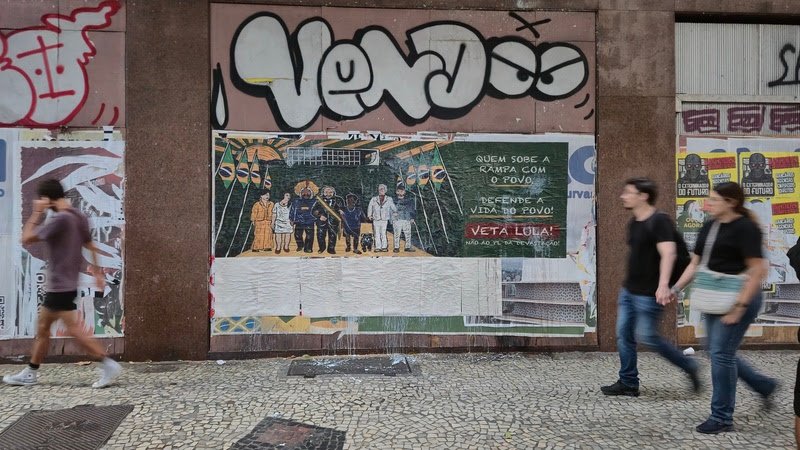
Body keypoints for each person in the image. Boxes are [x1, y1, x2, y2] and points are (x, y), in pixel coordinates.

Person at [670, 181, 778, 434]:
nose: (708, 204)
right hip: (715, 295)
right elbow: (695, 263)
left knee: (721, 354)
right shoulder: (710, 226)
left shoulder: (746, 228)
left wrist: (739, 307)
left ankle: (721, 417)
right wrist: (675, 289)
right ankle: (763, 385)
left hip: (741, 297)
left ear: (731, 202)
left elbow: (758, 270)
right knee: (717, 351)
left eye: (714, 199)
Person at [3, 179, 121, 388]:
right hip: (66, 285)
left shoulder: (60, 220)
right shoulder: (78, 216)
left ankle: (107, 362)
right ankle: (31, 372)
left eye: (42, 199)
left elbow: (26, 238)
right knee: (44, 328)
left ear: (47, 199)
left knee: (72, 330)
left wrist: (37, 213)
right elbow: (91, 245)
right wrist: (97, 273)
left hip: (59, 286)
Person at [601, 178, 700, 398]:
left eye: (628, 192)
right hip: (629, 290)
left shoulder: (660, 221)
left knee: (648, 337)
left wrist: (664, 286)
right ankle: (628, 383)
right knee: (624, 335)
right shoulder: (634, 222)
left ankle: (689, 365)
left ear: (643, 196)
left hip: (649, 293)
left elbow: (669, 253)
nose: (623, 196)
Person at [312, 186, 344, 255]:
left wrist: (340, 210)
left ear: (333, 193)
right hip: (321, 222)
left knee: (333, 236)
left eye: (330, 192)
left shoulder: (338, 200)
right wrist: (319, 216)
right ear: (323, 193)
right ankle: (321, 248)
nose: (328, 194)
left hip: (333, 222)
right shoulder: (319, 200)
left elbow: (342, 208)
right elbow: (313, 211)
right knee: (320, 236)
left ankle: (331, 249)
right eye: (326, 192)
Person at [367, 184, 395, 252]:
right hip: (376, 218)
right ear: (378, 190)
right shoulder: (374, 199)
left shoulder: (389, 199)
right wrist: (369, 215)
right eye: (380, 189)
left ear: (385, 190)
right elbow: (370, 207)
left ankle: (384, 247)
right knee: (376, 233)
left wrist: (395, 212)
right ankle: (377, 247)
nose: (382, 190)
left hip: (384, 218)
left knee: (383, 233)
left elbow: (393, 207)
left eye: (383, 189)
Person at [290, 187, 315, 253]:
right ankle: (300, 245)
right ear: (300, 193)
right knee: (297, 235)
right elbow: (292, 210)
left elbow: (316, 210)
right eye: (303, 192)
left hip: (309, 220)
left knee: (309, 236)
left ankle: (308, 248)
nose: (305, 193)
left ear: (311, 193)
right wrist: (292, 219)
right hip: (299, 220)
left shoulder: (314, 201)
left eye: (307, 192)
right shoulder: (296, 201)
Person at [392, 185, 416, 253]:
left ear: (404, 192)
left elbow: (412, 210)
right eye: (399, 191)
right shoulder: (393, 200)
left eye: (402, 191)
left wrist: (412, 218)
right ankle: (396, 247)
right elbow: (390, 209)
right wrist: (392, 215)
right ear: (396, 192)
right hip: (397, 219)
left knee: (408, 234)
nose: (400, 192)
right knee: (397, 234)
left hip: (407, 219)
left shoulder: (409, 201)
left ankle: (407, 247)